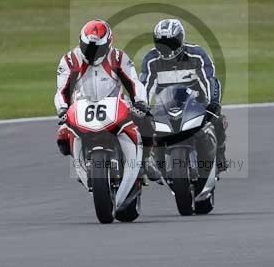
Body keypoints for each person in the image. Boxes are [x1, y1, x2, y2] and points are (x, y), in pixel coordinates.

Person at [54, 19, 155, 183]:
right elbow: (62, 91)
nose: (92, 52)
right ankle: (82, 163)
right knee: (62, 138)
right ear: (81, 41)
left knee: (146, 121)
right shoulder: (69, 61)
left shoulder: (118, 57)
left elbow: (133, 82)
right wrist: (63, 110)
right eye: (88, 47)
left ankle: (146, 159)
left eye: (97, 48)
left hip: (116, 105)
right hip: (82, 108)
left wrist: (141, 103)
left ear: (108, 44)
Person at [140, 18, 227, 177]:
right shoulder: (151, 60)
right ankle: (146, 161)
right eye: (161, 43)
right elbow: (144, 85)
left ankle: (220, 155)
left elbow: (208, 79)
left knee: (218, 118)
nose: (166, 49)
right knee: (141, 124)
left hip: (196, 103)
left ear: (181, 40)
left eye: (171, 43)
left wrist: (212, 104)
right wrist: (142, 107)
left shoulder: (197, 55)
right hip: (164, 106)